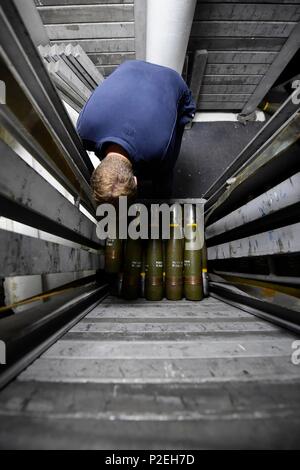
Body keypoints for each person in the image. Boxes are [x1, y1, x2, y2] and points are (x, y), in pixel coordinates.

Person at [77, 60, 195, 204]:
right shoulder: (84, 129)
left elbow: (165, 175)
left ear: (135, 180)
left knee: (163, 171)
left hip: (173, 80)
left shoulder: (159, 151)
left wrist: (163, 199)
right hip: (129, 66)